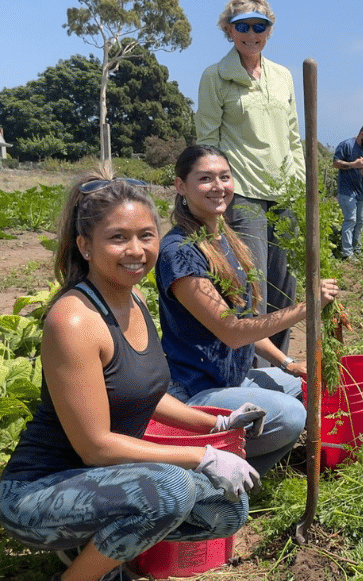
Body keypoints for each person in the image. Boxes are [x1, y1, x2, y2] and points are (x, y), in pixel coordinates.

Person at [0, 173, 261, 581]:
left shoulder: (135, 298)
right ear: (85, 245)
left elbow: (144, 393)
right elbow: (96, 448)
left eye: (146, 235)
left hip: (99, 482)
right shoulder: (74, 320)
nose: (136, 250)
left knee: (227, 508)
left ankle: (96, 551)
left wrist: (219, 423)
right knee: (171, 489)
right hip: (37, 494)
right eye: (118, 238)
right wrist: (204, 456)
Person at [156, 145, 339, 476]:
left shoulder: (224, 238)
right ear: (181, 186)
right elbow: (232, 331)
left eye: (224, 177)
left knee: (306, 387)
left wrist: (286, 363)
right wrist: (307, 308)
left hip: (232, 378)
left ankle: (240, 468)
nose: (219, 186)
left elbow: (245, 321)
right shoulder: (178, 253)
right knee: (291, 416)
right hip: (196, 392)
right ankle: (211, 475)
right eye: (205, 178)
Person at [196, 0, 305, 356]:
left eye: (260, 25)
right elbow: (208, 140)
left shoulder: (283, 76)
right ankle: (251, 370)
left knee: (283, 287)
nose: (251, 33)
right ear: (229, 30)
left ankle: (281, 367)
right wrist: (215, 190)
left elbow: (292, 136)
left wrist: (300, 183)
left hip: (284, 193)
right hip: (242, 192)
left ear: (269, 30)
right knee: (251, 285)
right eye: (243, 26)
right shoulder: (215, 77)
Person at [333, 122, 363, 260]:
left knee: (360, 222)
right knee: (351, 220)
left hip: (361, 192)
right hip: (347, 191)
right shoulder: (346, 145)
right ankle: (347, 254)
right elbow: (336, 163)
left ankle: (357, 250)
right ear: (362, 135)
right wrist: (353, 164)